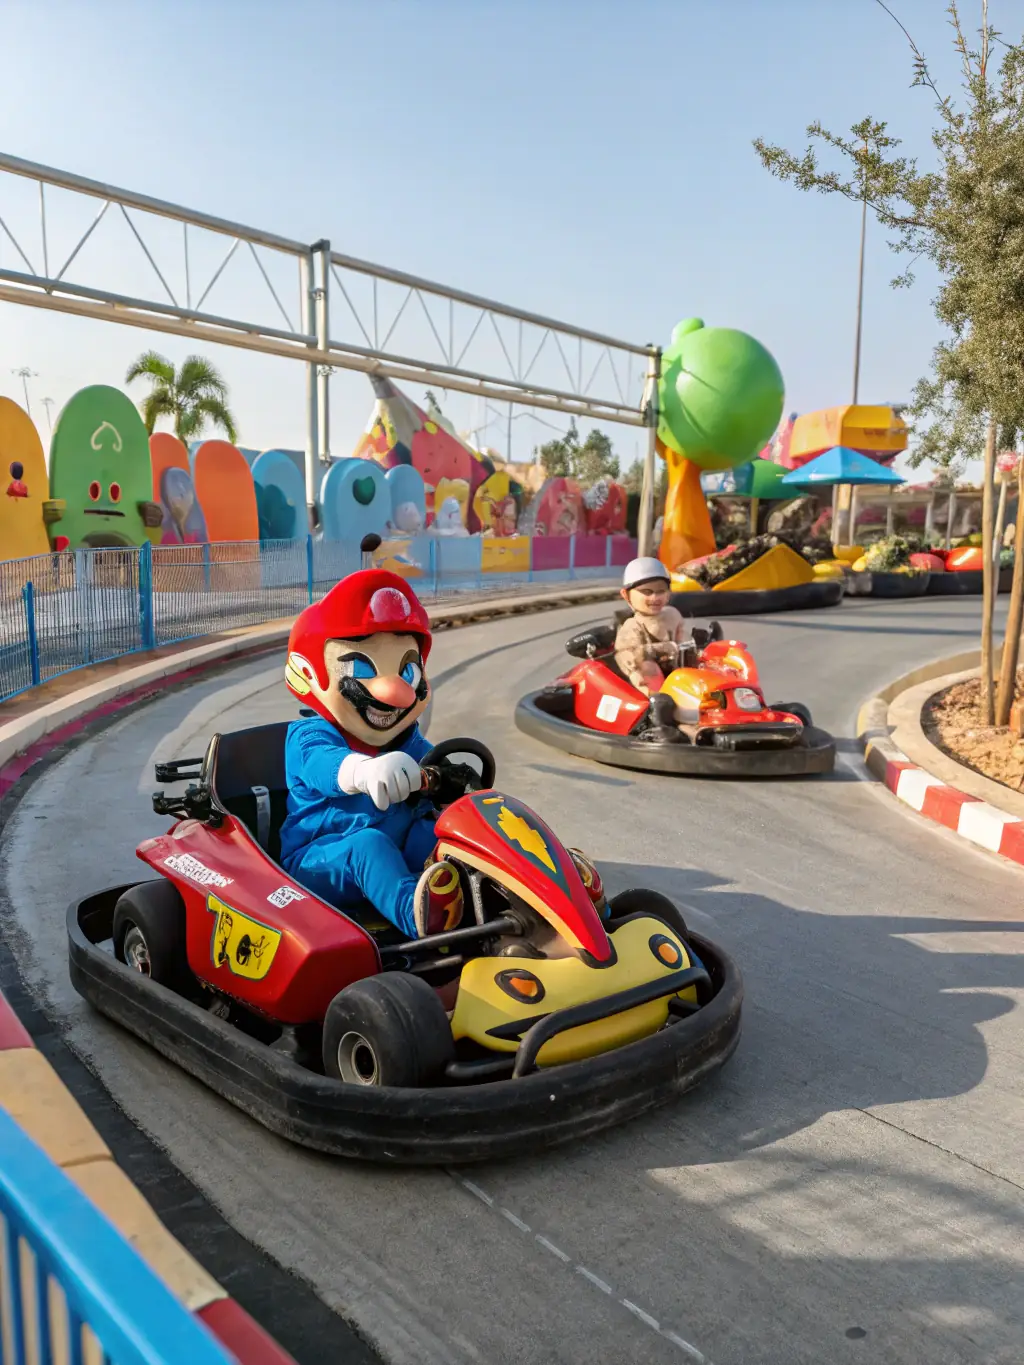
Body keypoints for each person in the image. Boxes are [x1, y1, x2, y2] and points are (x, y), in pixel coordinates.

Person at [278, 568, 464, 939]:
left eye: (408, 671)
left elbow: (431, 765)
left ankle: (492, 894)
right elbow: (325, 766)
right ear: (311, 673)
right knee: (368, 846)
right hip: (319, 860)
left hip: (394, 848)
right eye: (362, 667)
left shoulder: (405, 739)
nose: (395, 691)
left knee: (440, 829)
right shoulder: (308, 736)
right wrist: (365, 772)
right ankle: (422, 923)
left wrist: (453, 783)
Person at [614, 557, 689, 695]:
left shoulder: (673, 615)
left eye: (661, 591)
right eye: (647, 592)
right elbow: (627, 656)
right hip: (649, 684)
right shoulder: (632, 626)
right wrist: (667, 648)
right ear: (626, 594)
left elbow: (682, 643)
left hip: (678, 675)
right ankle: (656, 699)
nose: (655, 598)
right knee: (648, 666)